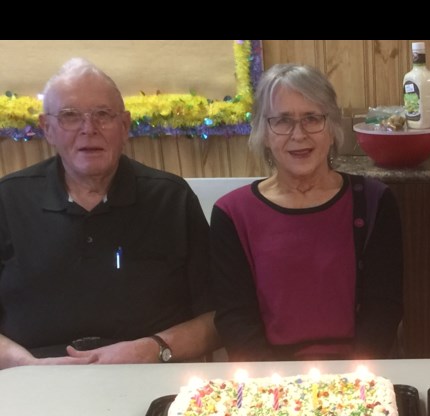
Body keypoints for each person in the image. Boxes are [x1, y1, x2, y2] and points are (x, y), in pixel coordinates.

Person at [0, 58, 218, 369]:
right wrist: (26, 366)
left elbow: (217, 320)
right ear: (47, 129)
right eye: (70, 116)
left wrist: (153, 349)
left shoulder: (172, 197)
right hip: (31, 377)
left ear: (125, 126)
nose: (89, 129)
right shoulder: (7, 200)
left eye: (103, 115)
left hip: (146, 374)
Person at [210, 63, 403, 363]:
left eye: (312, 118)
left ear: (332, 128)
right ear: (263, 132)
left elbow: (384, 308)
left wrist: (352, 380)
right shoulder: (232, 214)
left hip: (356, 376)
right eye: (283, 121)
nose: (298, 135)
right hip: (270, 382)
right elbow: (235, 319)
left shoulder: (375, 202)